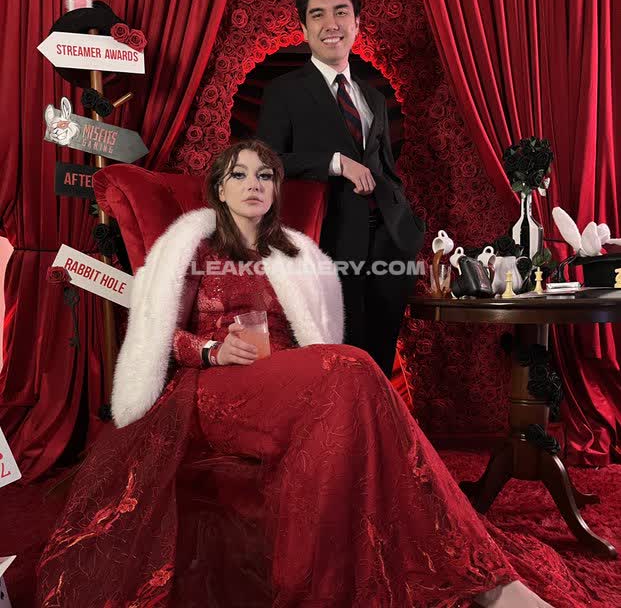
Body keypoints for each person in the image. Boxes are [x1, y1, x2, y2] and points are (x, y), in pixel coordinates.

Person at [37, 141, 552, 607]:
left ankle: (464, 574)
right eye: (240, 175)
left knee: (352, 387)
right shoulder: (194, 248)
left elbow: (314, 339)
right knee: (354, 365)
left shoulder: (296, 253)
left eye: (265, 175)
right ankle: (488, 584)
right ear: (220, 189)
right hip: (217, 386)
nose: (254, 184)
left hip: (292, 381)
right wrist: (212, 350)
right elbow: (159, 332)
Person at [256, 0, 425, 379]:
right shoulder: (284, 91)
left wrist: (407, 225)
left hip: (390, 243)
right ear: (304, 28)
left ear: (356, 24)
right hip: (329, 241)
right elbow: (266, 162)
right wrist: (334, 162)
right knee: (340, 356)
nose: (330, 23)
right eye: (318, 15)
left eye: (341, 12)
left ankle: (377, 419)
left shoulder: (373, 96)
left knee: (380, 354)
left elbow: (386, 169)